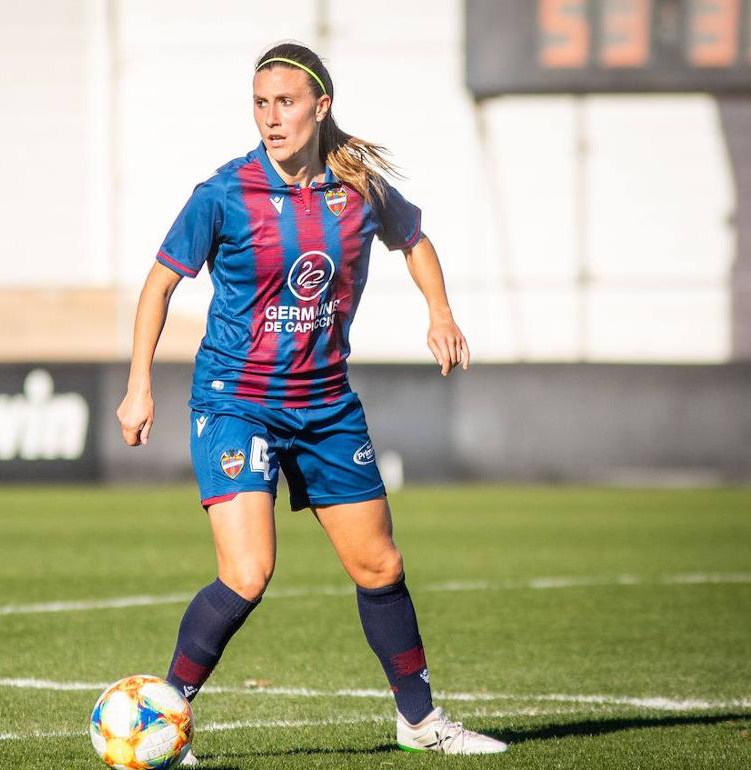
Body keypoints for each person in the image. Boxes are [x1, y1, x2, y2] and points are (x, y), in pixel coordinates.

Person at [115, 42, 508, 760]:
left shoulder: (357, 187)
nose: (271, 118)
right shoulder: (224, 194)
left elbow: (413, 239)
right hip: (237, 400)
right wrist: (140, 383)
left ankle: (419, 721)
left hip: (326, 405)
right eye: (261, 103)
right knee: (247, 574)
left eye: (286, 102)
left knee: (380, 567)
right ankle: (161, 720)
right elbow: (159, 285)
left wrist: (441, 314)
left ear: (320, 107)